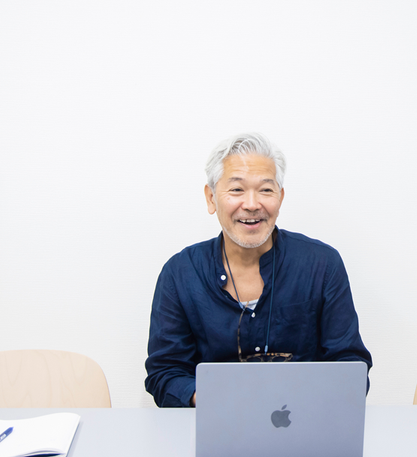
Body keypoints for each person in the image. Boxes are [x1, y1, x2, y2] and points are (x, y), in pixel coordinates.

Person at [145, 133, 372, 407]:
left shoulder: (322, 265)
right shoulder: (180, 274)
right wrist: (215, 400)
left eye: (265, 190)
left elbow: (350, 366)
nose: (252, 204)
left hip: (304, 422)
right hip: (217, 422)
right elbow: (165, 372)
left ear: (280, 197)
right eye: (236, 190)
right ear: (211, 198)